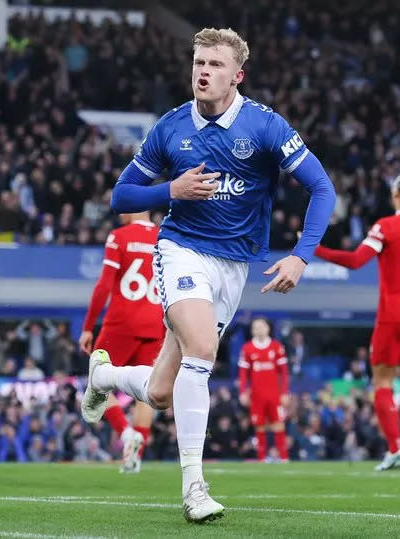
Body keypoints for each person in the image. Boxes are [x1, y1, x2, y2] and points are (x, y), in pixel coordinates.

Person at [80, 27, 335, 523]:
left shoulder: (265, 127)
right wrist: (169, 190)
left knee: (158, 391)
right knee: (202, 348)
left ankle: (105, 375)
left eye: (215, 65)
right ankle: (194, 487)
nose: (203, 71)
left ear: (237, 75)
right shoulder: (171, 128)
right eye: (199, 61)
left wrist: (302, 255)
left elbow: (321, 188)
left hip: (234, 264)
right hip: (181, 249)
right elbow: (121, 196)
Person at [313, 172, 400, 471]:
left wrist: (316, 249)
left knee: (382, 383)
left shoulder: (386, 227)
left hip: (393, 315)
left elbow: (355, 261)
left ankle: (396, 448)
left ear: (397, 194)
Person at [79, 211, 163, 474]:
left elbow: (104, 286)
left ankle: (126, 434)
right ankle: (134, 457)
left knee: (96, 379)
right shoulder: (166, 238)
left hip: (121, 322)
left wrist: (87, 327)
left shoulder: (119, 236)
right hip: (154, 322)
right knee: (146, 391)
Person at [238, 317, 289, 462]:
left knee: (278, 424)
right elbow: (243, 374)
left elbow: (284, 373)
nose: (259, 329)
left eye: (261, 326)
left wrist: (285, 392)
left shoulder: (277, 347)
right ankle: (262, 458)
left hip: (274, 394)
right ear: (252, 330)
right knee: (259, 426)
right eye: (255, 326)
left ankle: (284, 457)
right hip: (257, 395)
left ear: (268, 328)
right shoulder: (247, 348)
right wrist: (243, 392)